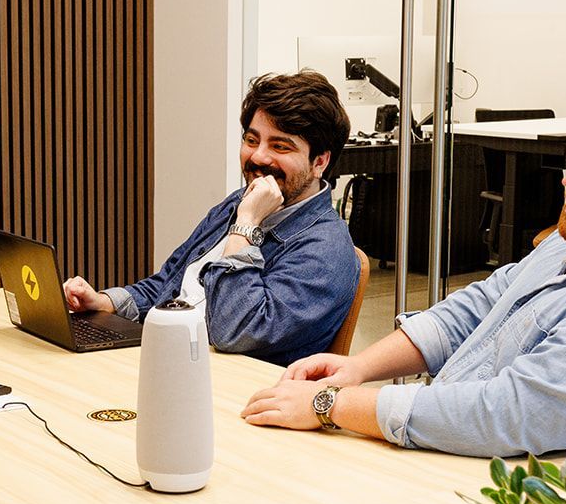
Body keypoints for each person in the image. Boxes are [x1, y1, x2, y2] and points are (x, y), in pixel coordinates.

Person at [242, 82, 566, 476]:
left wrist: (332, 403)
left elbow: (500, 414)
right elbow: (481, 304)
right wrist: (359, 369)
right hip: (457, 466)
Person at [62, 70, 359, 366]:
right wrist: (106, 303)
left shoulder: (326, 249)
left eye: (280, 146)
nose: (258, 157)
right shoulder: (238, 203)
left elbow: (236, 331)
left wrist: (245, 227)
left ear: (320, 161)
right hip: (168, 359)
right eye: (252, 140)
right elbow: (169, 284)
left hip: (224, 390)